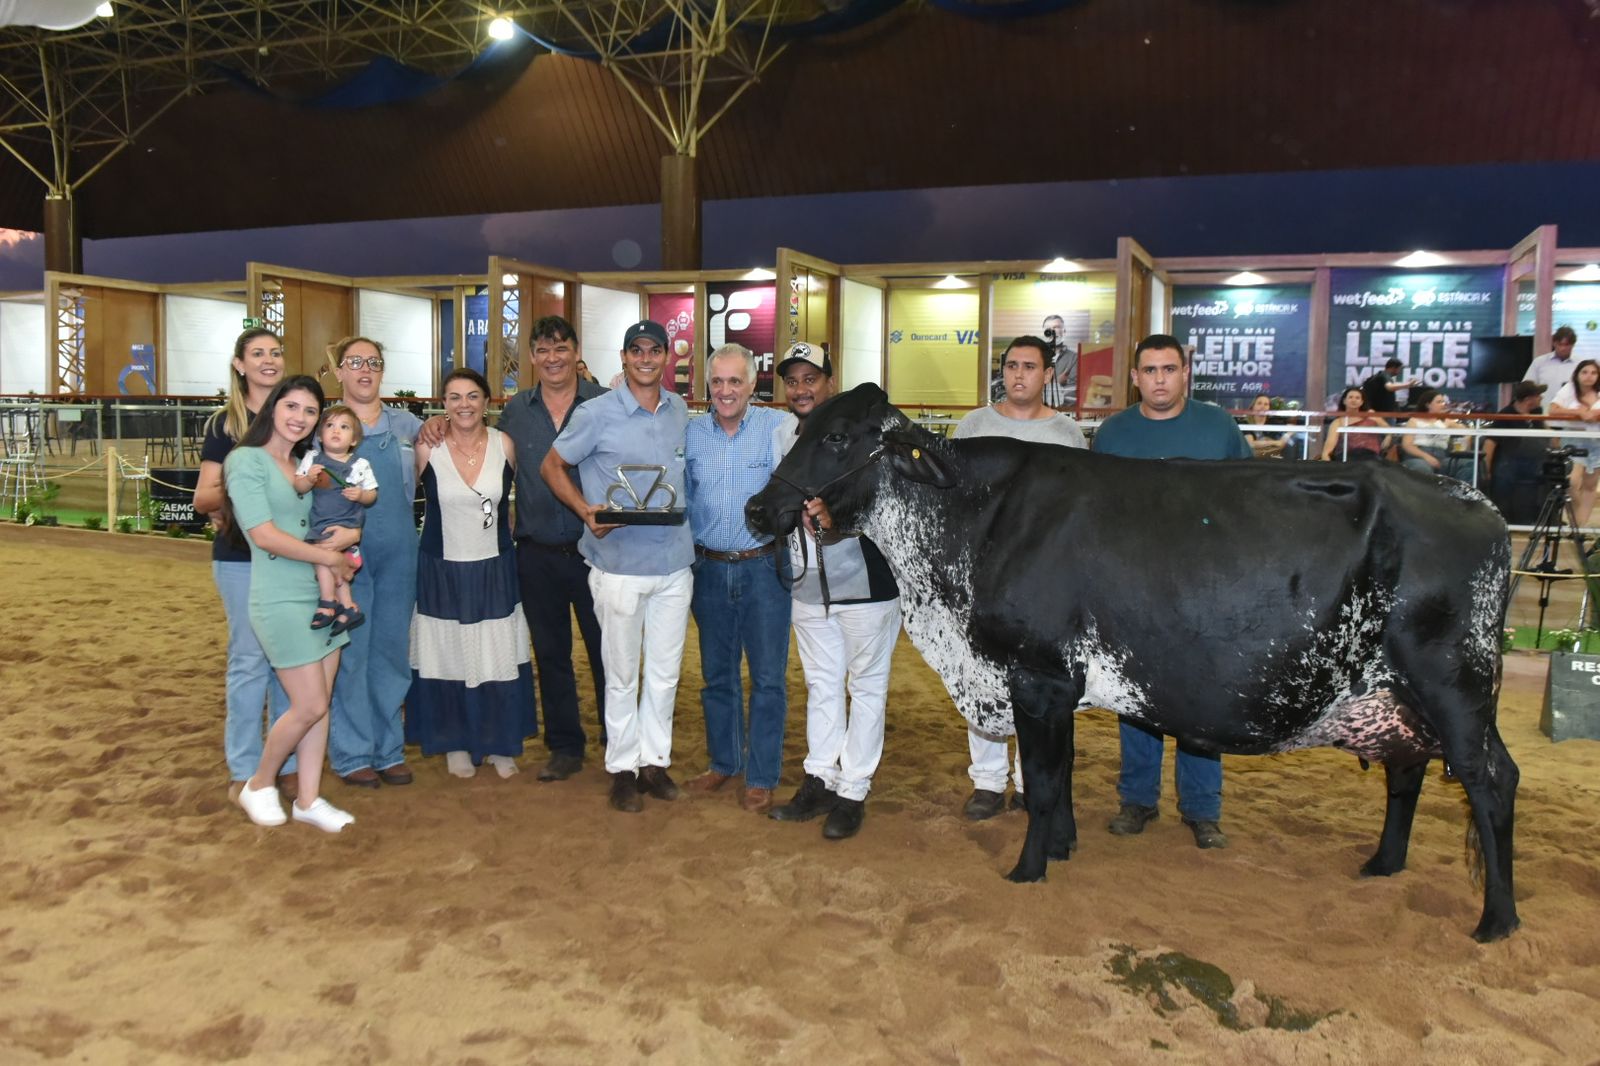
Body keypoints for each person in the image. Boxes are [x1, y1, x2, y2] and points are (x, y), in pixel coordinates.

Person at [1091, 334, 1250, 850]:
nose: (1160, 379)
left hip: (1205, 589)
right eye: (1150, 370)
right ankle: (1137, 801)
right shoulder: (1112, 434)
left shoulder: (1218, 427)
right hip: (1133, 589)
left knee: (1200, 697)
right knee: (1135, 697)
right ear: (1134, 377)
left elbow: (1246, 498)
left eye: (1169, 368)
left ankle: (1203, 810)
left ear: (1186, 372)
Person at [541, 320, 693, 813]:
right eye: (636, 350)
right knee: (622, 673)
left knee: (666, 674)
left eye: (654, 350)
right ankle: (623, 768)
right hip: (619, 566)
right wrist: (586, 511)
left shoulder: (680, 411)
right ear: (624, 357)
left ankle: (654, 762)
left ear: (666, 356)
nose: (646, 358)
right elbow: (551, 466)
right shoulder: (597, 412)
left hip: (673, 563)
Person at [768, 341, 902, 841]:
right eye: (793, 380)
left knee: (866, 687)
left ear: (830, 381)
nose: (802, 389)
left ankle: (854, 788)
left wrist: (840, 520)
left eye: (811, 379)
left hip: (869, 585)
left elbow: (888, 506)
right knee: (822, 686)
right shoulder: (785, 434)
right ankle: (820, 776)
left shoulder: (867, 435)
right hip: (808, 586)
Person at [952, 335, 1085, 820]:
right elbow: (956, 499)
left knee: (1041, 679)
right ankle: (986, 782)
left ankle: (1031, 780)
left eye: (1030, 366)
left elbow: (1077, 509)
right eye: (1011, 365)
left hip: (1047, 578)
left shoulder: (1068, 434)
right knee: (983, 675)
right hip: (984, 571)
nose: (1019, 375)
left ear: (1048, 375)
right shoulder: (974, 425)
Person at [223, 374, 358, 832]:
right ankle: (258, 784)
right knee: (308, 703)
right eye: (292, 406)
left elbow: (331, 521)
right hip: (279, 596)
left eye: (310, 412)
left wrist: (346, 540)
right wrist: (328, 557)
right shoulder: (245, 461)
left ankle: (308, 797)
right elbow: (263, 536)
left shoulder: (306, 465)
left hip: (322, 593)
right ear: (273, 408)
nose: (300, 418)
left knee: (320, 703)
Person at [485, 315, 608, 783]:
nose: (553, 358)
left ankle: (617, 741)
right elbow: (482, 448)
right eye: (543, 350)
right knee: (551, 654)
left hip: (596, 550)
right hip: (535, 552)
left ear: (575, 352)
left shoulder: (605, 403)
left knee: (607, 652)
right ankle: (565, 746)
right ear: (532, 357)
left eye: (561, 348)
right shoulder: (516, 411)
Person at [407, 368, 537, 779]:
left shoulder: (506, 445)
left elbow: (516, 506)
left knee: (496, 656)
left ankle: (500, 743)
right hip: (441, 569)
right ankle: (455, 741)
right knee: (447, 657)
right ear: (443, 403)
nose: (463, 404)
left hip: (494, 568)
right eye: (454, 397)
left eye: (472, 396)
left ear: (486, 401)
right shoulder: (427, 448)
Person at [684, 344, 797, 813]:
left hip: (764, 567)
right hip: (707, 567)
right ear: (707, 385)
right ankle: (724, 761)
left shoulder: (779, 427)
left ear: (754, 384)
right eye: (718, 382)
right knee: (716, 675)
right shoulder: (690, 433)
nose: (726, 391)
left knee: (769, 677)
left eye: (735, 381)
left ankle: (762, 774)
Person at [192, 328, 296, 800]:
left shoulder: (295, 418)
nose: (268, 361)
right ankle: (243, 768)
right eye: (258, 354)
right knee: (250, 662)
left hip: (291, 559)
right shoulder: (225, 425)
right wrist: (246, 491)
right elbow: (202, 498)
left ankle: (284, 760)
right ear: (240, 365)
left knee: (288, 663)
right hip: (241, 558)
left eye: (275, 353)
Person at [324, 337, 424, 789]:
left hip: (399, 550)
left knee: (391, 652)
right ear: (340, 371)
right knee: (352, 654)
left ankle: (389, 749)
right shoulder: (323, 427)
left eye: (374, 362)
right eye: (355, 362)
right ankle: (352, 753)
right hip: (347, 557)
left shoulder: (410, 426)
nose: (365, 370)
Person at [292, 405, 378, 635]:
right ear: (320, 435)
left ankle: (328, 602)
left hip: (348, 522)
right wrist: (309, 479)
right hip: (321, 521)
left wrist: (360, 495)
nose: (336, 431)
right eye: (329, 426)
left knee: (324, 560)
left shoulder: (360, 465)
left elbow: (372, 494)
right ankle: (348, 606)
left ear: (354, 440)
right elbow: (298, 485)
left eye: (344, 427)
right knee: (332, 563)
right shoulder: (313, 458)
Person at [1485, 381, 1548, 526]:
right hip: (1508, 462)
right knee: (1504, 479)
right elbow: (1490, 443)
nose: (1541, 398)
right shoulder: (1505, 415)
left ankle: (1531, 518)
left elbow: (1546, 432)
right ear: (1528, 399)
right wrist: (1486, 468)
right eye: (1538, 396)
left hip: (1533, 461)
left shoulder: (1537, 413)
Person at [1547, 358, 1600, 526]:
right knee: (1571, 482)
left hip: (1597, 441)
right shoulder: (1569, 389)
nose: (1589, 376)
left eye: (1593, 373)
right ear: (1577, 374)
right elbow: (1553, 409)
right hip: (1574, 439)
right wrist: (1578, 413)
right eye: (1584, 372)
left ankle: (1579, 526)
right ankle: (1576, 516)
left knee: (1590, 487)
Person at [1399, 388, 1467, 478]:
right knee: (1422, 467)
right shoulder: (1414, 421)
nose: (1443, 405)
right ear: (1428, 405)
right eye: (1439, 402)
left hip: (1442, 456)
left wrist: (1466, 442)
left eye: (1443, 402)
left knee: (1468, 464)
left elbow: (1467, 431)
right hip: (1418, 456)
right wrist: (1426, 457)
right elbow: (1407, 445)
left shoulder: (1447, 421)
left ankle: (1462, 491)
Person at [1320, 386, 1389, 462]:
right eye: (1350, 397)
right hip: (1348, 460)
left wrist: (1388, 438)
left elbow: (1389, 430)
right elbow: (1327, 451)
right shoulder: (1337, 423)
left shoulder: (1370, 415)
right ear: (1344, 401)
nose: (1354, 400)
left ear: (1362, 402)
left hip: (1372, 459)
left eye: (1357, 398)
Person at [1524, 325, 1579, 396]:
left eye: (1566, 345)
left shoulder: (1580, 364)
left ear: (1573, 345)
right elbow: (1527, 387)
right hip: (1545, 406)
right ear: (1554, 343)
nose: (1563, 348)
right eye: (1560, 344)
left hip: (1572, 406)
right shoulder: (1539, 362)